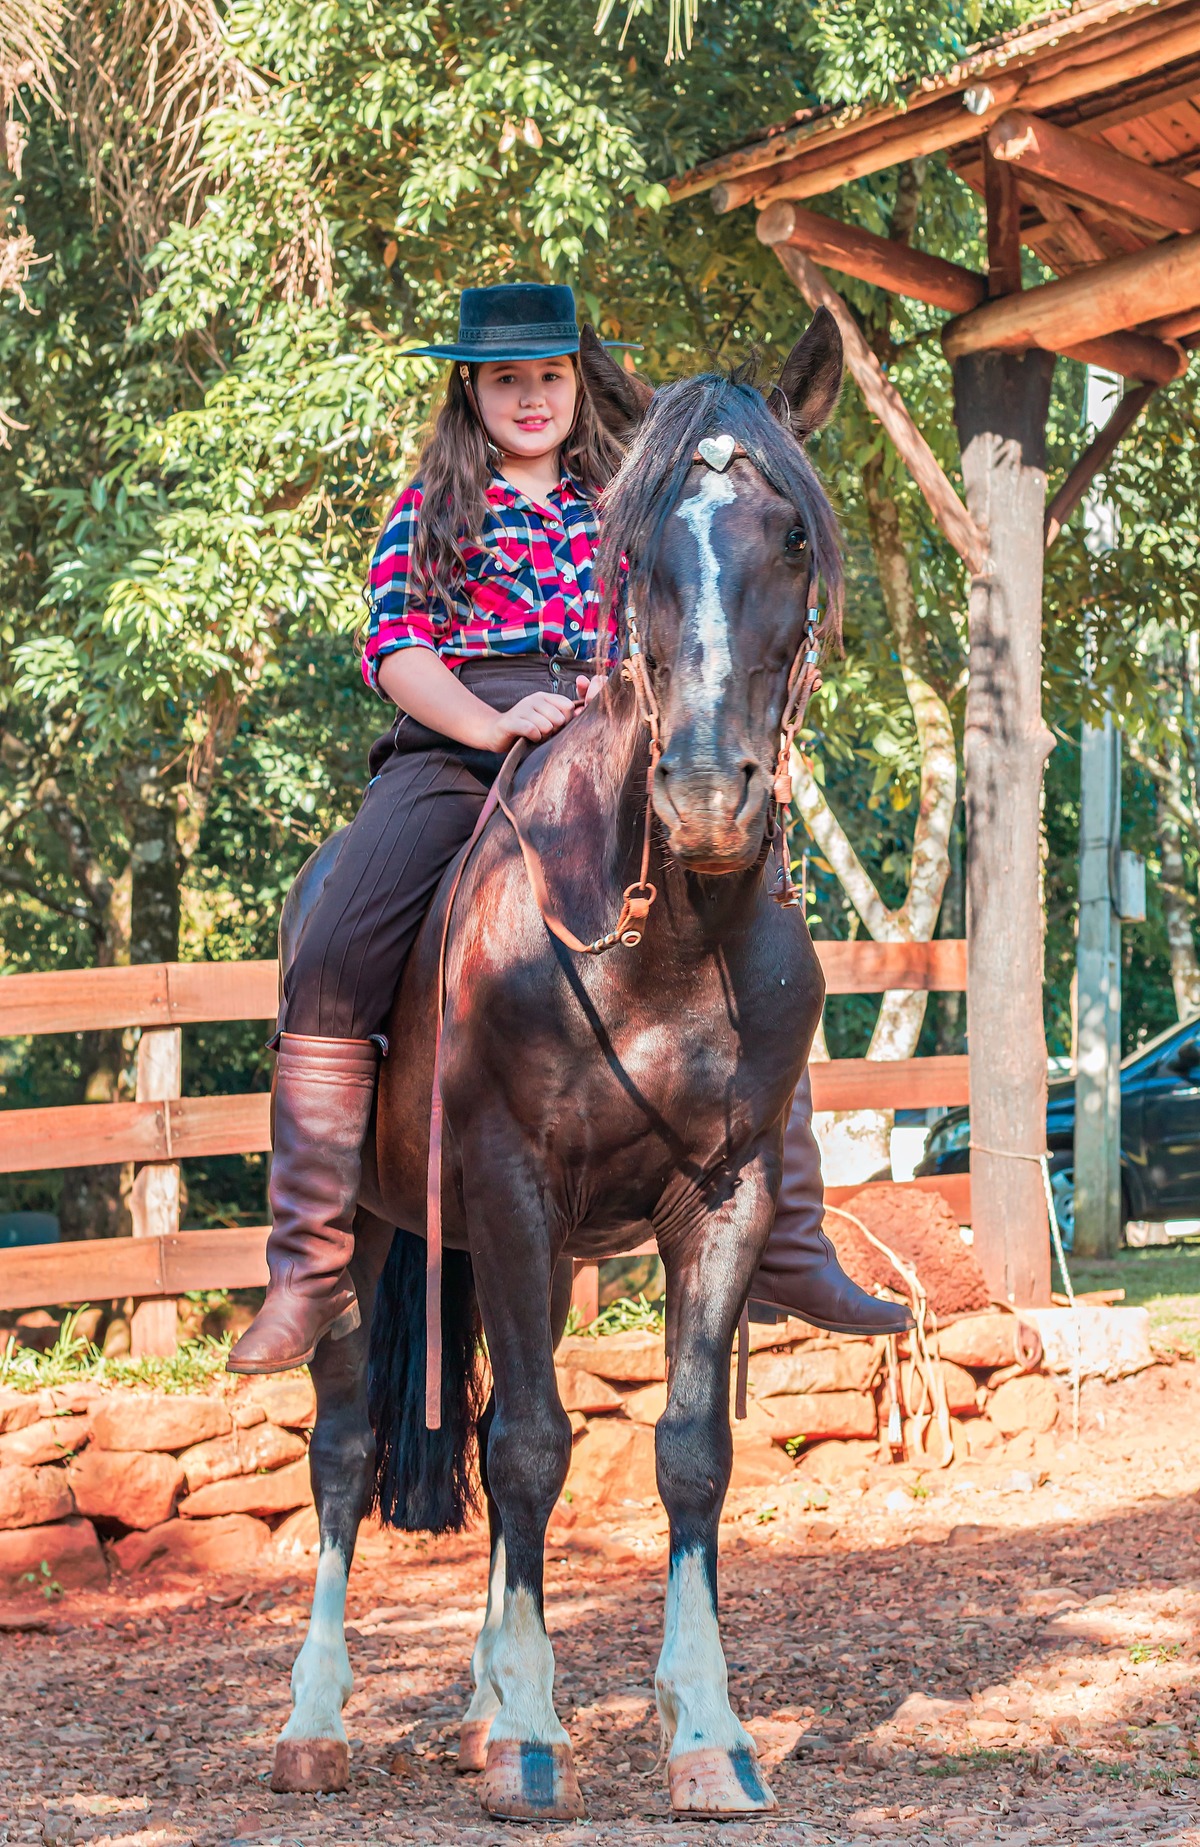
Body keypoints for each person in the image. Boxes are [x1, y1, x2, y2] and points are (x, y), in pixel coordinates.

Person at [227, 283, 909, 1376]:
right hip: (461, 737)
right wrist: (492, 724)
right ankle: (309, 1259)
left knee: (758, 934)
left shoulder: (626, 501)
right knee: (339, 927)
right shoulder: (434, 504)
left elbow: (688, 611)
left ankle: (787, 1234)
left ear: (577, 382)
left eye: (549, 375)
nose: (531, 397)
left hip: (612, 730)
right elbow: (395, 649)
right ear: (474, 390)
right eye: (507, 378)